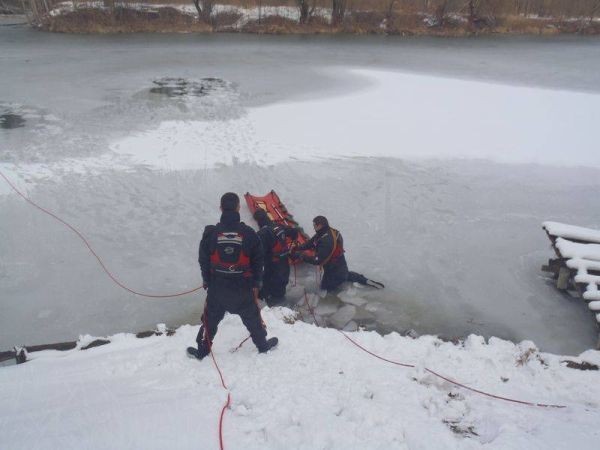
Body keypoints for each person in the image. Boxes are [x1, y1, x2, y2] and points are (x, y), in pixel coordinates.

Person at [187, 193, 278, 360]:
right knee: (253, 318)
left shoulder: (211, 233)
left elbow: (203, 260)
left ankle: (202, 350)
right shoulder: (249, 233)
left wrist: (207, 280)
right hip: (243, 289)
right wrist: (256, 283)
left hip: (217, 289)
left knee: (209, 320)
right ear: (238, 208)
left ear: (221, 208)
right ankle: (263, 346)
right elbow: (259, 261)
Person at [292, 215, 384, 292]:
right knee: (346, 274)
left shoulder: (326, 241)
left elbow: (318, 260)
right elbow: (311, 243)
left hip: (332, 271)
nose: (313, 227)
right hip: (340, 265)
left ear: (320, 225)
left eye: (314, 225)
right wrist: (298, 248)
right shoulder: (328, 232)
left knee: (324, 289)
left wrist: (301, 256)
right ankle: (366, 281)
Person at [253, 209, 299, 306]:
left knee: (270, 288)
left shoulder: (262, 233)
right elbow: (293, 232)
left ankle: (273, 310)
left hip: (272, 267)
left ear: (257, 221)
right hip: (284, 263)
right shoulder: (278, 226)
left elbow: (259, 254)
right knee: (280, 288)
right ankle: (281, 306)